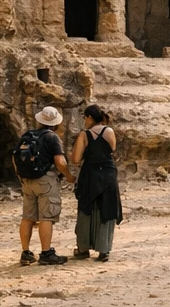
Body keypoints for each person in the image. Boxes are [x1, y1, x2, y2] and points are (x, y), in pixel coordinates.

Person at [14, 104, 74, 266]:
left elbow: (15, 157)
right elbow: (60, 161)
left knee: (28, 217)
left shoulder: (28, 135)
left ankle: (25, 253)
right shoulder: (51, 137)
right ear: (56, 123)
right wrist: (68, 175)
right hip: (45, 180)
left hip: (27, 181)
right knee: (46, 217)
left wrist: (20, 176)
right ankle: (46, 253)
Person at [70, 104, 123, 262]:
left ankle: (83, 248)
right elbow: (111, 150)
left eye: (85, 118)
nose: (84, 121)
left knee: (87, 209)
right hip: (108, 174)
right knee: (106, 208)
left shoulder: (84, 135)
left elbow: (76, 160)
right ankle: (104, 250)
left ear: (90, 118)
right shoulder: (109, 131)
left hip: (90, 175)